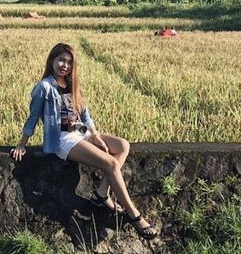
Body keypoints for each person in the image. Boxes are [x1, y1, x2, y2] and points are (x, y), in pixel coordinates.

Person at [10, 42, 157, 240]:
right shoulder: (44, 87)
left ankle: (101, 193)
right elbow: (33, 117)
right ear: (52, 60)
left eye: (69, 62)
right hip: (62, 139)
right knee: (111, 163)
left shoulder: (72, 84)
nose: (64, 65)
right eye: (61, 60)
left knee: (123, 145)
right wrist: (21, 144)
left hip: (81, 133)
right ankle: (134, 215)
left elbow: (85, 115)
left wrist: (95, 135)